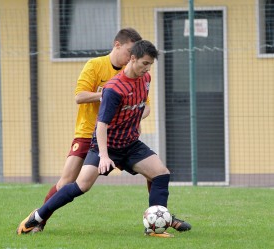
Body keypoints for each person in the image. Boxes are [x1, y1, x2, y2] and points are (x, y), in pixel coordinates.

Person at [17, 40, 192, 235]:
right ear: (132, 59)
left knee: (161, 173)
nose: (147, 68)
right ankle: (37, 217)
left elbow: (141, 106)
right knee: (80, 186)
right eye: (144, 63)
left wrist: (135, 120)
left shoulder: (146, 79)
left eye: (150, 64)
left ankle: (155, 228)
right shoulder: (114, 88)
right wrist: (104, 155)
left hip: (130, 144)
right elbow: (101, 125)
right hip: (107, 145)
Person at [27, 27, 145, 233]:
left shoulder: (135, 73)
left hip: (119, 137)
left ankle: (158, 216)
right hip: (87, 133)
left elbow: (146, 105)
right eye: (129, 51)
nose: (131, 57)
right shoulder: (95, 65)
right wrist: (108, 95)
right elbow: (79, 96)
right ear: (117, 45)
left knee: (156, 173)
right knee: (66, 182)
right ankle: (39, 220)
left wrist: (133, 115)